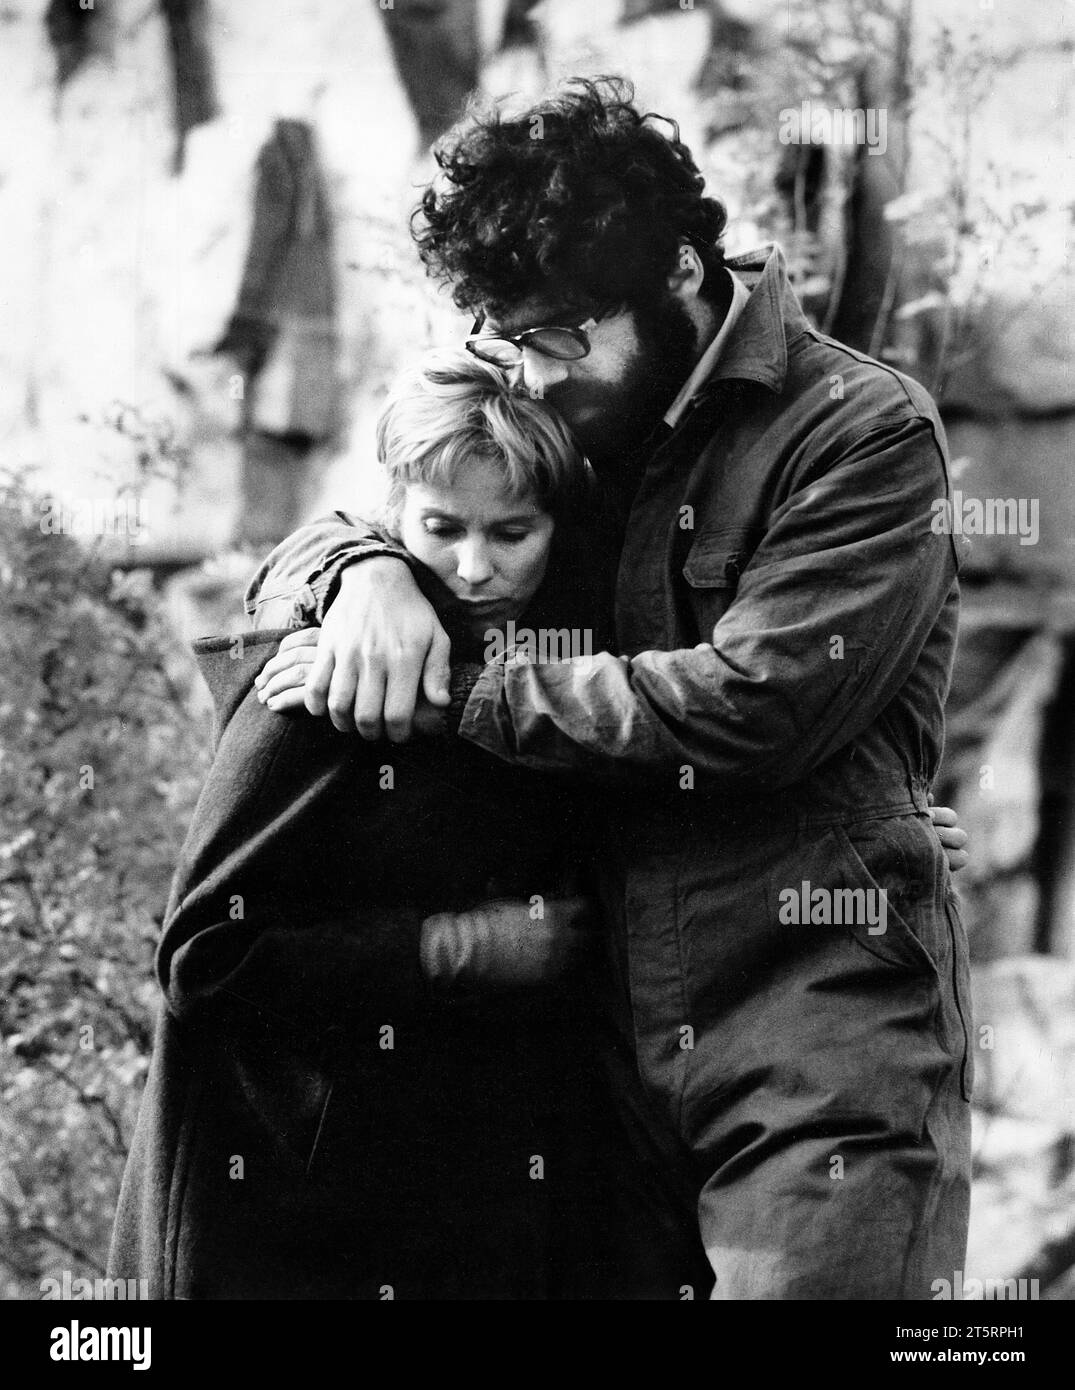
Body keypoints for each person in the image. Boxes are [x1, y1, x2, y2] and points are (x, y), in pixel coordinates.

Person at [247, 77, 974, 1300]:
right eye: (500, 338)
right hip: (583, 1063)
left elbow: (756, 703)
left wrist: (459, 689)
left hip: (817, 1045)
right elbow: (393, 510)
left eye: (552, 338)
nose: (522, 378)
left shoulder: (858, 431)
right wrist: (357, 564)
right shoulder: (566, 405)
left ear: (682, 279)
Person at [109, 349, 703, 1300]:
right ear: (394, 515)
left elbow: (683, 767)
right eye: (440, 529)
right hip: (277, 1204)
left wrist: (881, 842)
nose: (474, 569)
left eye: (512, 531)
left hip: (461, 1194)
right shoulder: (327, 678)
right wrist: (452, 948)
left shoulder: (570, 654)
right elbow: (202, 955)